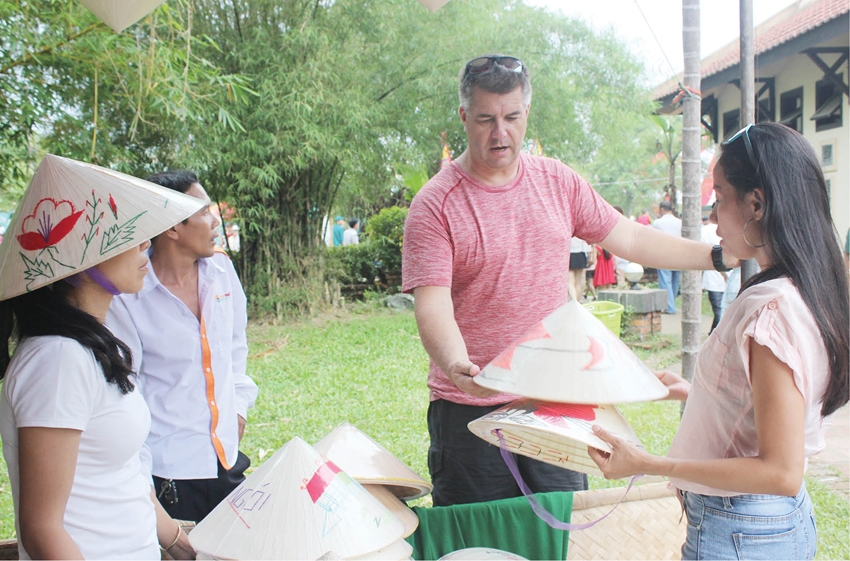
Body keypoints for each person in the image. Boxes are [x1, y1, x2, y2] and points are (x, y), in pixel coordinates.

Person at [402, 53, 739, 506]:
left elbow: (631, 238)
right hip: (469, 410)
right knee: (480, 536)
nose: (500, 133)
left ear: (527, 113)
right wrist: (456, 364)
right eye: (485, 120)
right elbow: (433, 303)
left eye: (512, 117)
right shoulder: (435, 204)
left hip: (556, 400)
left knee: (562, 530)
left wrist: (716, 256)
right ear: (464, 116)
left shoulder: (558, 182)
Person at [589, 123, 849, 560]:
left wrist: (648, 464)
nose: (713, 217)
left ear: (756, 203)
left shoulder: (772, 309)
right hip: (763, 525)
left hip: (741, 529)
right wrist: (696, 392)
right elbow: (768, 408)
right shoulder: (805, 288)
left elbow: (780, 471)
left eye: (721, 197)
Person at [0, 155, 199, 559]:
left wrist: (182, 546)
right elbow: (42, 529)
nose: (145, 243)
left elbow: (126, 477)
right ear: (78, 262)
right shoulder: (56, 360)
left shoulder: (95, 345)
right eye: (126, 235)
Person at [106, 170, 258, 523]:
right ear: (173, 228)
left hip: (225, 456)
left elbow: (235, 346)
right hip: (169, 466)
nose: (215, 220)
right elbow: (128, 384)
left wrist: (238, 407)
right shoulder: (130, 294)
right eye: (204, 211)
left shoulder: (221, 270)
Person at [652, 200, 682, 313]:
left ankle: (669, 307)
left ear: (662, 209)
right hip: (679, 254)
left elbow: (652, 238)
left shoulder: (658, 223)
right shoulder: (679, 222)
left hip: (664, 254)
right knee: (675, 281)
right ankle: (671, 303)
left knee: (665, 281)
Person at [701, 214, 725, 333]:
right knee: (719, 310)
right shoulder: (706, 231)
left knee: (721, 310)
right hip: (714, 276)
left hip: (725, 277)